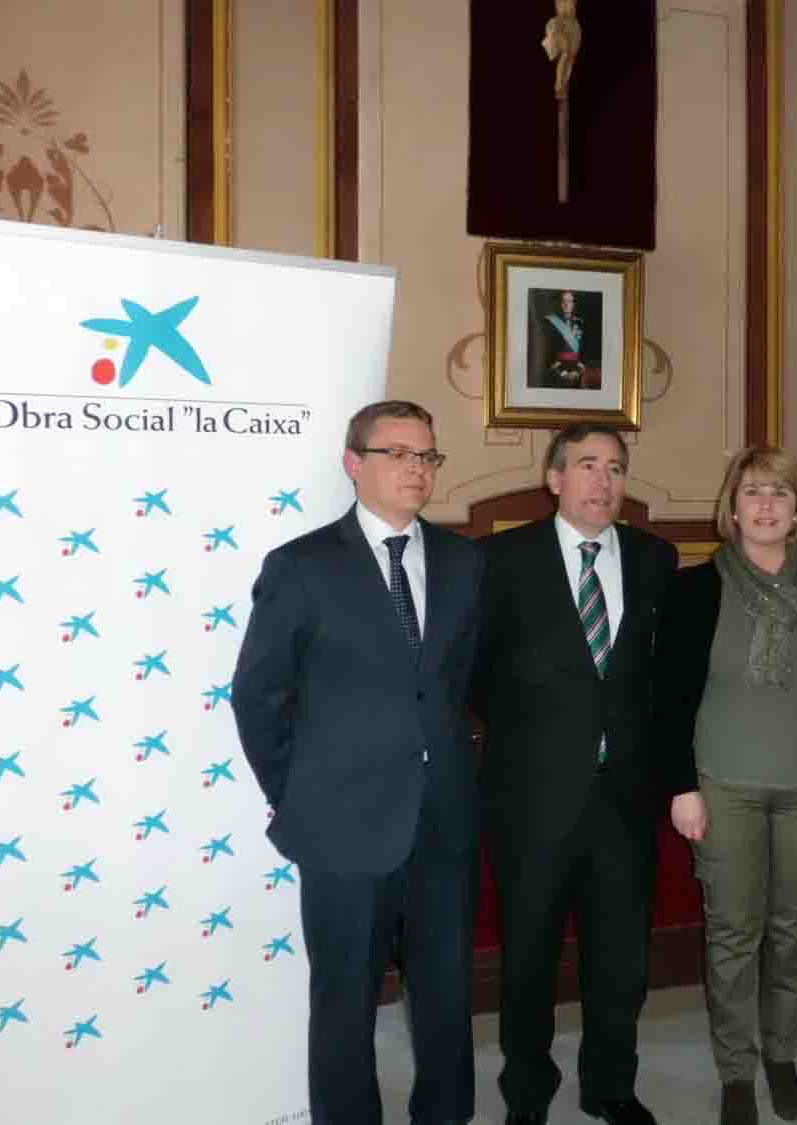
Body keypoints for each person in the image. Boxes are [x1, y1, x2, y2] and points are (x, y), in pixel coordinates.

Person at [231, 400, 486, 1125]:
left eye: (427, 455)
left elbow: (459, 684)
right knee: (345, 1004)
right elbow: (257, 695)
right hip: (341, 826)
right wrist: (299, 792)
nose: (417, 468)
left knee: (447, 997)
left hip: (443, 820)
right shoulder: (301, 566)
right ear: (354, 463)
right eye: (397, 453)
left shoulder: (466, 562)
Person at [656, 446, 797, 1125]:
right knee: (733, 934)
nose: (766, 504)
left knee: (791, 930)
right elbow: (670, 698)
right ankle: (736, 1070)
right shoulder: (696, 589)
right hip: (724, 787)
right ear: (733, 505)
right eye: (753, 491)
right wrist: (681, 785)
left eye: (781, 492)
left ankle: (781, 1055)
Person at [473, 423, 678, 1125]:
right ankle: (527, 1093)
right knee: (529, 957)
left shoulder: (655, 557)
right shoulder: (500, 558)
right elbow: (474, 673)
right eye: (587, 465)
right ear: (554, 478)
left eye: (615, 468)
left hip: (624, 797)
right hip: (532, 796)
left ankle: (610, 1086)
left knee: (621, 960)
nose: (603, 481)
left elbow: (659, 675)